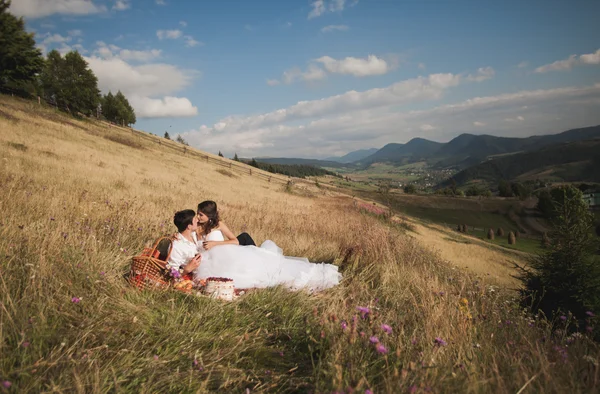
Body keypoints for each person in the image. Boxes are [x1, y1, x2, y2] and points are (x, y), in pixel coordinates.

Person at [192, 200, 342, 292]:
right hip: (211, 260)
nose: (198, 217)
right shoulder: (196, 226)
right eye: (198, 214)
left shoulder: (219, 224)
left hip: (228, 254)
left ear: (210, 216)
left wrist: (215, 244)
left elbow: (235, 241)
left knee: (259, 270)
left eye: (201, 215)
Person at [166, 209, 202, 275]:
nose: (197, 220)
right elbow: (171, 272)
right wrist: (186, 270)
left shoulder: (194, 234)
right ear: (189, 226)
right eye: (194, 220)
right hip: (196, 276)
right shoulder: (177, 246)